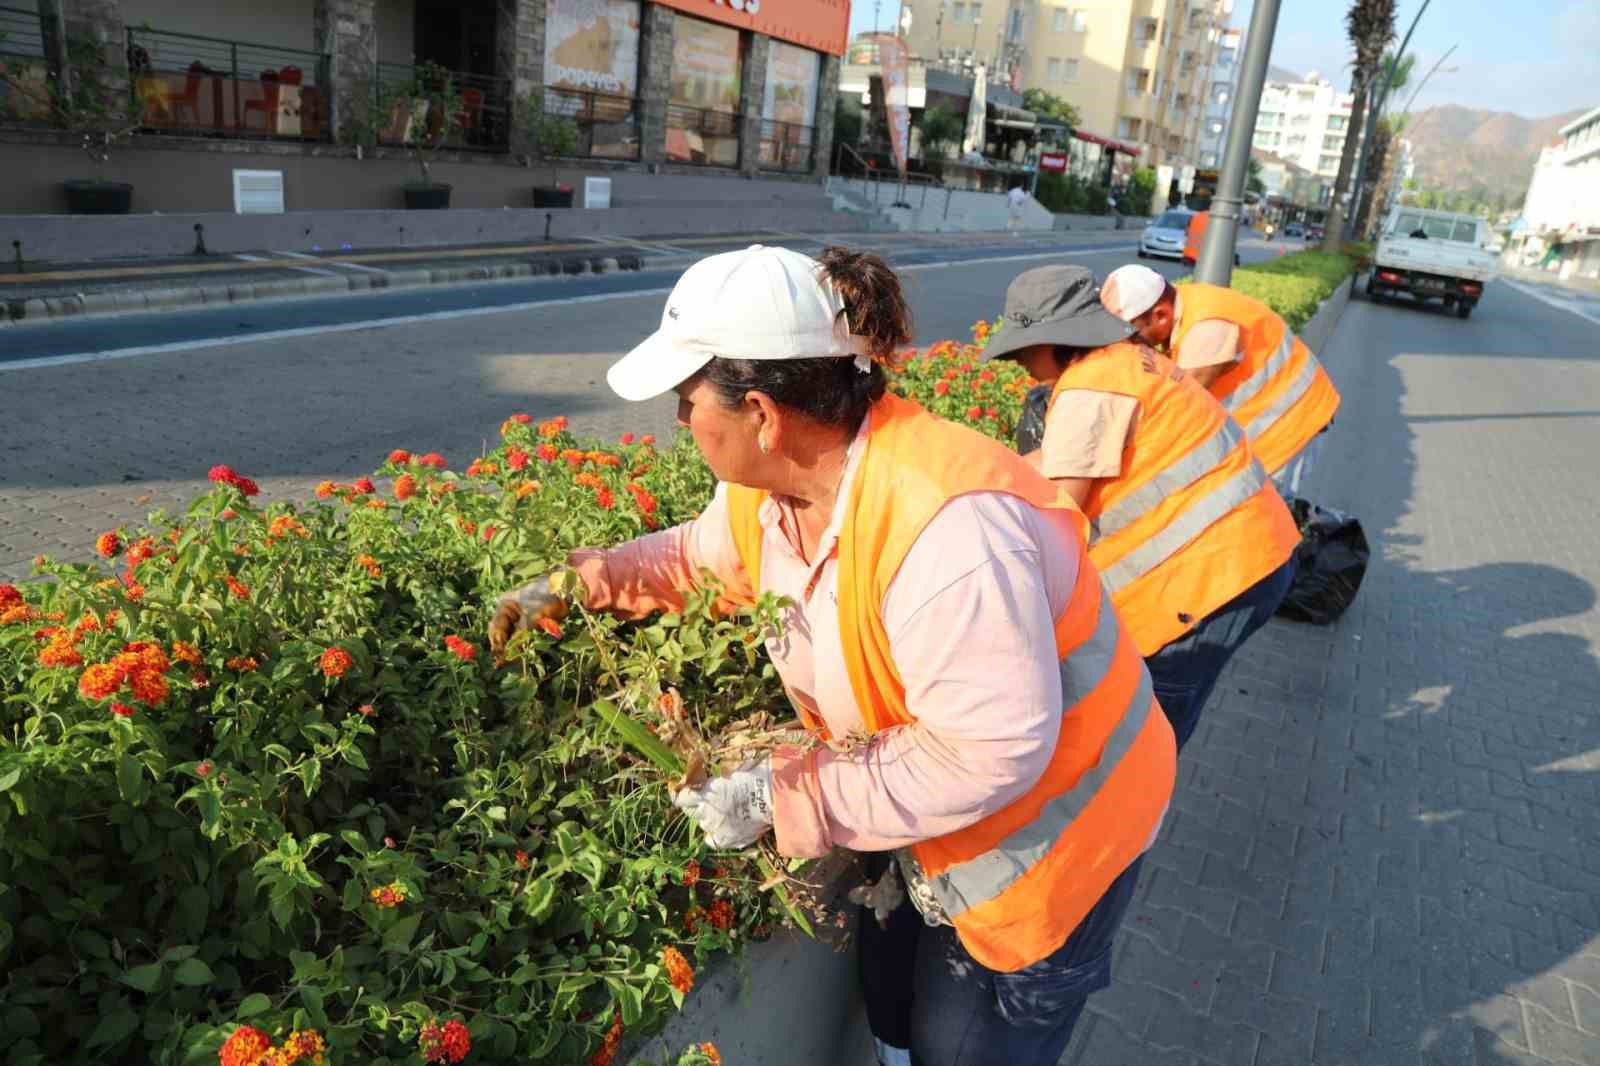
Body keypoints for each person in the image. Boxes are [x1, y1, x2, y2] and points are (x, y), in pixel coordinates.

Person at [488, 245, 1175, 1066]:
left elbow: (987, 751)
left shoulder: (948, 529)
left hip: (1055, 843)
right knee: (898, 1007)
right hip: (949, 817)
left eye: (685, 400)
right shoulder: (777, 493)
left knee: (968, 1046)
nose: (679, 422)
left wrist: (777, 797)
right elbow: (699, 558)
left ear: (761, 415)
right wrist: (577, 582)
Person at [983, 264, 1299, 751]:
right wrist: (982, 472)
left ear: (1056, 340)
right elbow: (1061, 459)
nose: (1019, 364)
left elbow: (1061, 506)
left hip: (1210, 582)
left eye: (1023, 350)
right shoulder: (1125, 361)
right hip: (1250, 556)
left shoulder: (1092, 388)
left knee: (1143, 733)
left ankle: (1130, 818)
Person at [1099, 263, 1341, 499]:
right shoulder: (1184, 304)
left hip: (1288, 428)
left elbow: (1176, 407)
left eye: (1132, 333)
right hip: (1275, 425)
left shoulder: (1206, 329)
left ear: (1161, 315)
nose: (1129, 343)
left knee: (1257, 517)